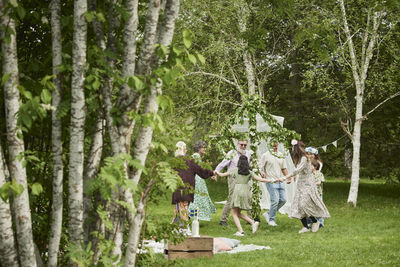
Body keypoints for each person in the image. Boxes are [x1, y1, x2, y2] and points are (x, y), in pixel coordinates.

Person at [282, 140, 330, 234]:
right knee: (299, 206)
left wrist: (285, 177)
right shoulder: (300, 159)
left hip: (308, 184)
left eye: (293, 148)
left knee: (304, 204)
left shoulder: (304, 158)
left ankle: (315, 221)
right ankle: (306, 227)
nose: (292, 150)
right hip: (301, 184)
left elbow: (297, 170)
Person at [217, 155, 271, 236]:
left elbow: (222, 175)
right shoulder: (249, 172)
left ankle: (240, 231)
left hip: (237, 191)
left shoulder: (235, 170)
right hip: (246, 191)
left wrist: (215, 172)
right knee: (238, 213)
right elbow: (260, 179)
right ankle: (253, 222)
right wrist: (272, 180)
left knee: (234, 213)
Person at [171, 141, 216, 226]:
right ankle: (184, 228)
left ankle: (178, 227)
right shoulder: (189, 161)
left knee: (179, 207)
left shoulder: (174, 162)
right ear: (184, 150)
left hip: (177, 189)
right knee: (183, 207)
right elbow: (201, 171)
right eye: (185, 149)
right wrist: (212, 173)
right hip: (187, 189)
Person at [215, 139, 252, 226]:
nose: (243, 147)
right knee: (231, 198)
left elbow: (249, 166)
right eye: (241, 145)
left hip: (244, 178)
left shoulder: (248, 153)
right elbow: (222, 164)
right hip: (233, 177)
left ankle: (250, 219)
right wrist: (216, 172)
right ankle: (223, 219)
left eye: (245, 145)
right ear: (237, 144)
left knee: (249, 197)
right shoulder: (232, 153)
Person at [259, 141, 289, 226]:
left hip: (280, 181)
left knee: (283, 200)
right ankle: (271, 220)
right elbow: (260, 167)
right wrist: (262, 173)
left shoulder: (280, 155)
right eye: (272, 145)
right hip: (270, 181)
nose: (274, 146)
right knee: (274, 201)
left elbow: (283, 168)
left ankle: (268, 213)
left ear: (278, 145)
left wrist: (288, 177)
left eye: (276, 145)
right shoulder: (265, 155)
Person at [188, 141, 216, 221]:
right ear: (199, 148)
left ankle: (191, 217)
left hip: (197, 179)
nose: (205, 149)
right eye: (203, 147)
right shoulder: (196, 156)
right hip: (196, 181)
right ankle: (190, 216)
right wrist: (211, 173)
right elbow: (200, 170)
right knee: (196, 199)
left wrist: (209, 174)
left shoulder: (196, 156)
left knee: (197, 199)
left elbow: (201, 170)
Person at [311, 159, 325, 228]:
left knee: (319, 208)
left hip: (318, 194)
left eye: (311, 165)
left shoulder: (319, 174)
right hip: (310, 194)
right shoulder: (308, 174)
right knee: (309, 208)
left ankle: (321, 223)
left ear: (315, 166)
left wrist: (312, 184)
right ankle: (311, 222)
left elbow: (319, 182)